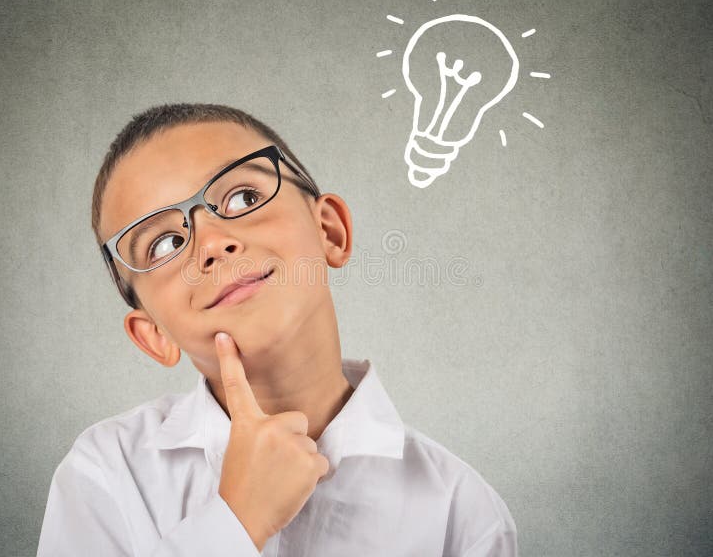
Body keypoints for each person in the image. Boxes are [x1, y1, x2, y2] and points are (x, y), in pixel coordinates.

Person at [36, 103, 518, 556]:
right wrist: (235, 520)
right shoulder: (106, 473)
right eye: (163, 244)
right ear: (153, 335)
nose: (213, 243)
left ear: (330, 232)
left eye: (243, 197)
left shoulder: (462, 513)